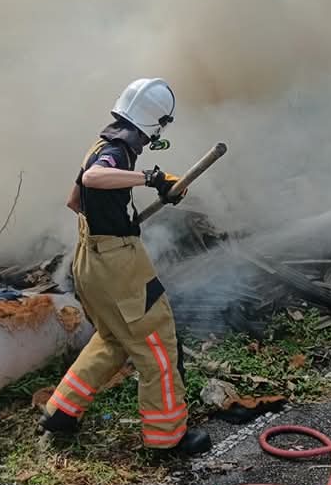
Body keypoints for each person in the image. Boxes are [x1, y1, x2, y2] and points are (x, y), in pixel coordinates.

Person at [39, 78, 212, 456]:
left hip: (89, 260)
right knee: (157, 344)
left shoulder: (101, 143)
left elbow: (75, 200)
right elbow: (93, 178)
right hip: (118, 265)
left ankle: (61, 412)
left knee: (113, 338)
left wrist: (119, 212)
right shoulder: (118, 150)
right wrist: (151, 179)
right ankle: (167, 438)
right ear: (155, 122)